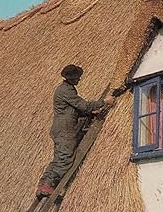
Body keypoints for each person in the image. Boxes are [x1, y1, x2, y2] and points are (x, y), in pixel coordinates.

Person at [36, 64, 116, 197]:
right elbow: (83, 106)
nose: (79, 79)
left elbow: (73, 111)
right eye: (77, 77)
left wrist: (90, 113)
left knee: (58, 158)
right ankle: (47, 185)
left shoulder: (67, 89)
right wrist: (104, 102)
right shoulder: (65, 90)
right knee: (65, 158)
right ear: (71, 78)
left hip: (62, 128)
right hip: (65, 129)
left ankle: (44, 184)